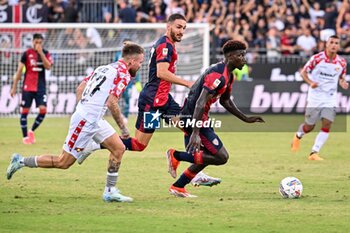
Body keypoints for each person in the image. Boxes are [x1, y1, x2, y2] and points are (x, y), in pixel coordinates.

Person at [77, 13, 222, 187]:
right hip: (152, 102)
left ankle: (195, 174)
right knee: (139, 145)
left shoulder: (167, 44)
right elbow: (161, 73)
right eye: (178, 27)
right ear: (168, 27)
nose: (181, 31)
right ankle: (94, 145)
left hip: (164, 101)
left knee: (189, 126)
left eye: (184, 28)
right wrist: (188, 83)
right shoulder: (165, 46)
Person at [7, 43, 145, 203]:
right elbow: (112, 103)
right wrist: (123, 128)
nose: (140, 66)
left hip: (93, 119)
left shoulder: (103, 68)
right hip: (85, 120)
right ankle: (20, 161)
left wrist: (85, 107)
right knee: (63, 162)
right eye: (140, 62)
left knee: (118, 148)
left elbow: (80, 88)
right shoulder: (123, 74)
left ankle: (110, 191)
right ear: (131, 62)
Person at [165, 40, 265, 197]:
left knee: (207, 157)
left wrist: (246, 118)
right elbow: (200, 102)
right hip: (193, 117)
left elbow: (225, 101)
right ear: (231, 56)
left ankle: (178, 187)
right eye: (241, 55)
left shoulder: (228, 75)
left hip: (199, 117)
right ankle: (175, 155)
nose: (244, 59)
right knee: (221, 156)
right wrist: (195, 133)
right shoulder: (217, 74)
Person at [291, 35, 348, 160]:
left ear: (339, 46)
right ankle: (298, 135)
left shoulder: (342, 62)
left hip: (330, 97)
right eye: (331, 42)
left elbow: (341, 77)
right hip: (315, 97)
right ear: (326, 44)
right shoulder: (317, 58)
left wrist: (342, 82)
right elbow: (303, 72)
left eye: (336, 43)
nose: (334, 45)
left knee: (327, 124)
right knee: (309, 126)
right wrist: (311, 82)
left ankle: (314, 152)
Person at [10, 33, 53, 144]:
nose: (38, 44)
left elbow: (48, 66)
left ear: (42, 42)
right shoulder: (26, 54)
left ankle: (31, 131)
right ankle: (25, 138)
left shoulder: (46, 53)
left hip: (40, 87)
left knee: (43, 110)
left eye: (40, 42)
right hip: (28, 87)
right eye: (36, 42)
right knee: (24, 112)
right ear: (32, 41)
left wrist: (40, 53)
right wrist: (14, 87)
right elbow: (19, 71)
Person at [114, 38, 143, 123]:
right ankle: (118, 115)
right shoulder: (118, 54)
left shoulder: (135, 55)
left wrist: (138, 85)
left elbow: (136, 72)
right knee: (116, 98)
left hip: (129, 82)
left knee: (127, 98)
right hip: (119, 80)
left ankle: (125, 117)